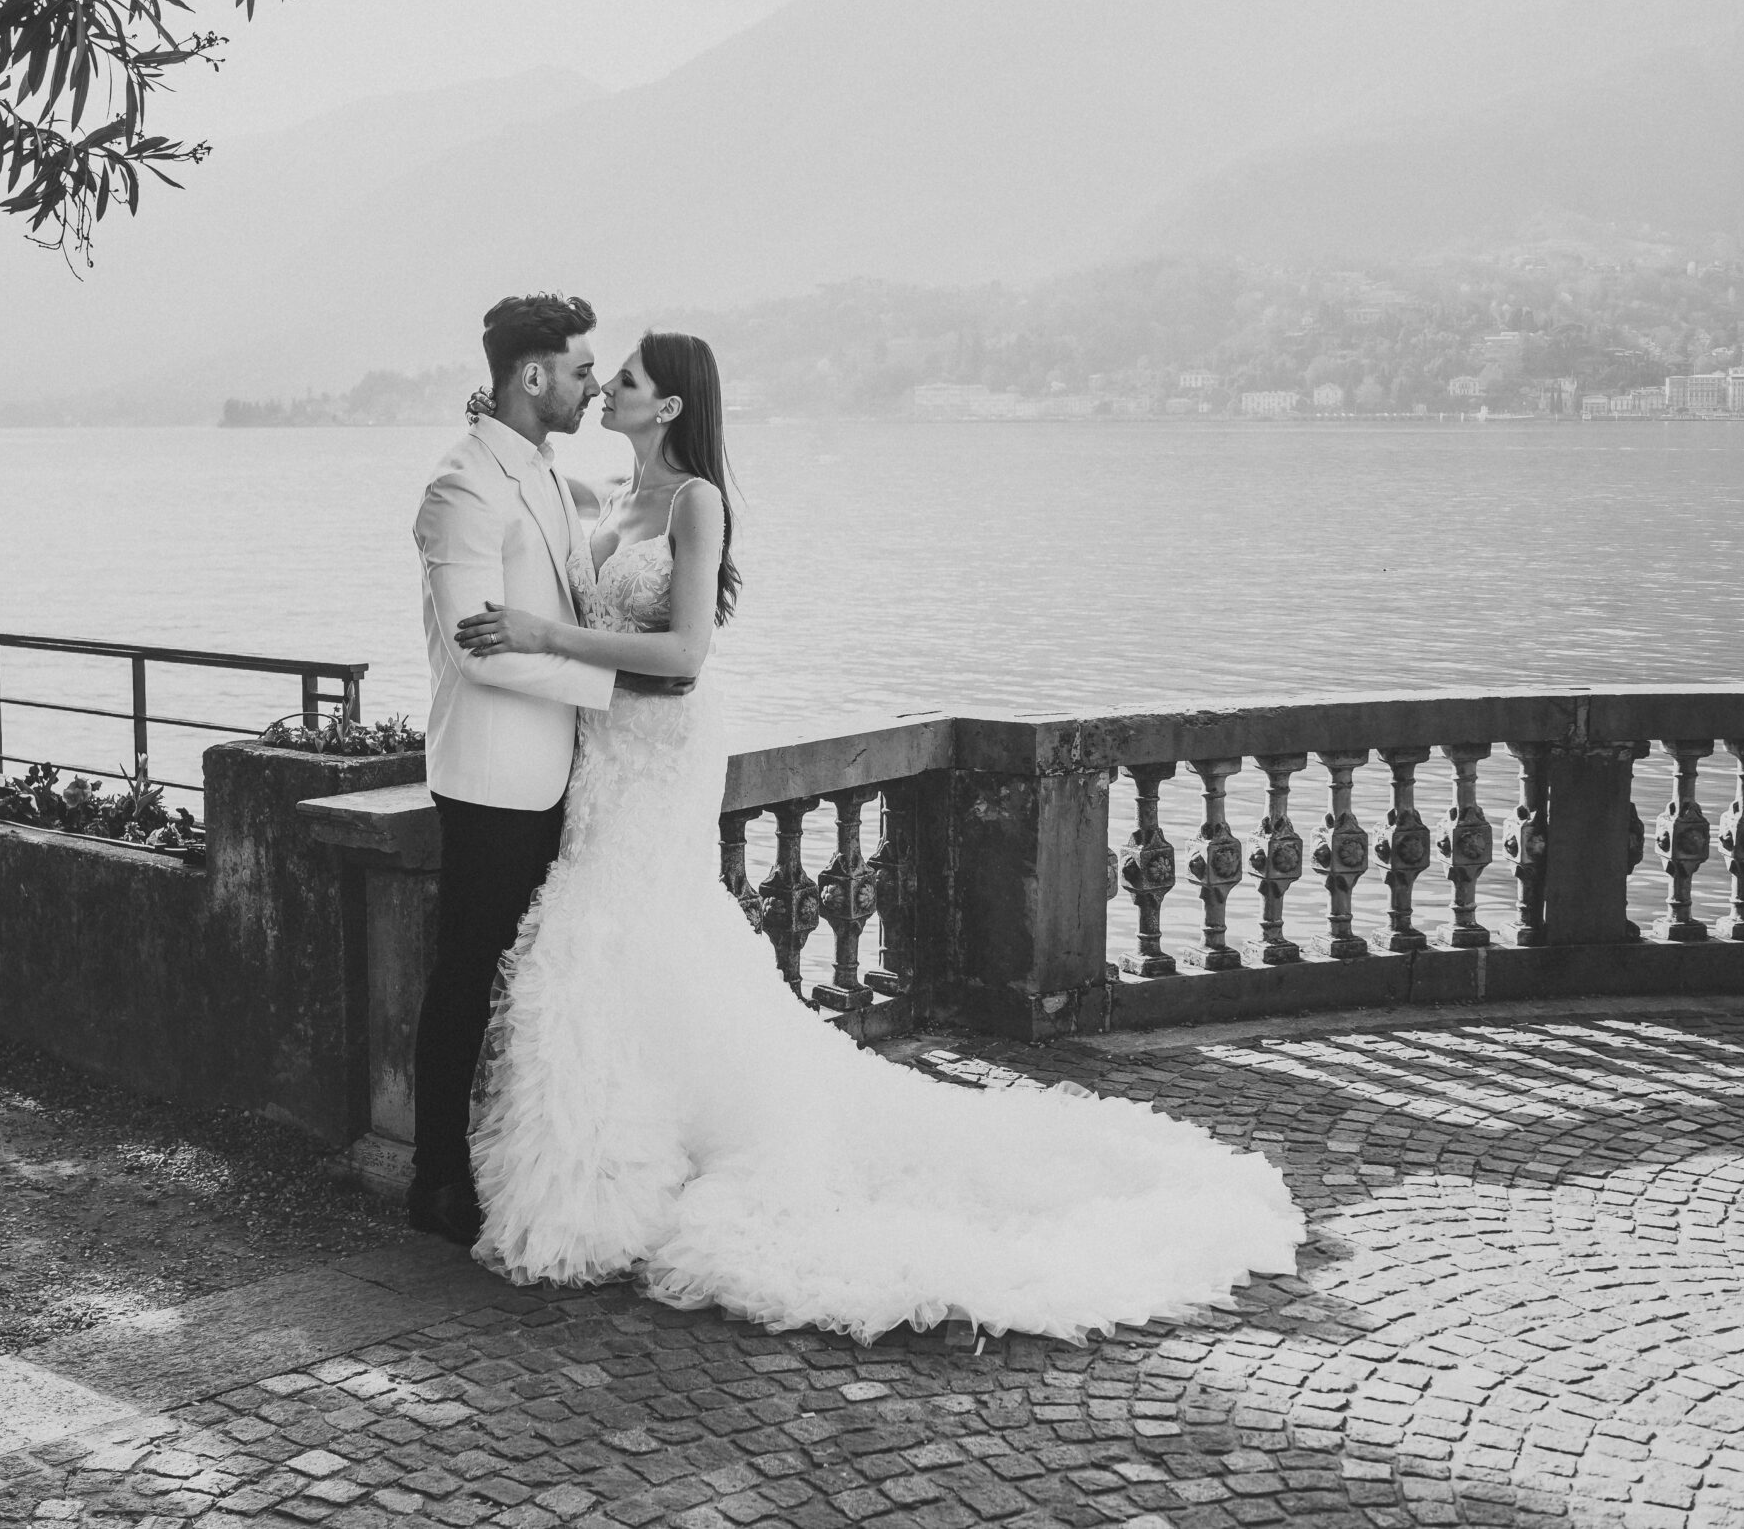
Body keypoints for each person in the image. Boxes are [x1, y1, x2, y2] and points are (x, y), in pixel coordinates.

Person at [449, 330, 1307, 1342]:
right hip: (601, 756)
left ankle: (623, 1183)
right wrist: (490, 434)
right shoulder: (601, 500)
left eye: (624, 379)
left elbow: (682, 655)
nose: (606, 390)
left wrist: (544, 635)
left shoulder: (694, 504)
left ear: (669, 404)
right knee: (611, 948)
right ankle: (627, 1162)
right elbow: (524, 505)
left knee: (626, 928)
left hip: (660, 750)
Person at [407, 293, 689, 1247]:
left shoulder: (540, 470)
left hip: (564, 769)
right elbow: (479, 646)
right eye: (579, 369)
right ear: (532, 376)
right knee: (465, 975)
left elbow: (578, 590)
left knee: (528, 985)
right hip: (492, 774)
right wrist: (616, 695)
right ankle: (437, 1178)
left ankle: (514, 1161)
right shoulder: (462, 488)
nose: (592, 384)